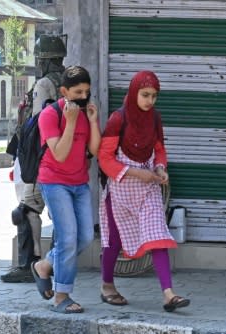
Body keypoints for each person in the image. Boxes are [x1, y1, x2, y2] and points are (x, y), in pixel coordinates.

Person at [97, 70, 190, 312]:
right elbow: (105, 159)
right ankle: (107, 285)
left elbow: (159, 148)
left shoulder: (155, 119)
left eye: (154, 96)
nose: (150, 100)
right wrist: (137, 173)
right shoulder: (118, 119)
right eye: (145, 94)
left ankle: (169, 294)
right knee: (113, 243)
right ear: (133, 92)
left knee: (157, 235)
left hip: (148, 189)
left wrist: (160, 168)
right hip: (120, 191)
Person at [31, 65, 101, 314]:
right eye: (78, 92)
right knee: (68, 237)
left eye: (87, 92)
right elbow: (59, 154)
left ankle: (45, 265)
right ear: (64, 91)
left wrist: (92, 122)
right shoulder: (49, 115)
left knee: (85, 237)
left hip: (79, 183)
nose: (83, 97)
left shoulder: (84, 112)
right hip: (54, 181)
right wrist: (70, 122)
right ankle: (62, 296)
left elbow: (93, 151)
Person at [0, 35, 67, 284]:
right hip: (66, 159)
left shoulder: (44, 85)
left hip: (43, 159)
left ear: (45, 60)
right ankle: (58, 263)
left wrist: (29, 161)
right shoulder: (71, 81)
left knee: (25, 210)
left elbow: (38, 126)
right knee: (61, 214)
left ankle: (31, 264)